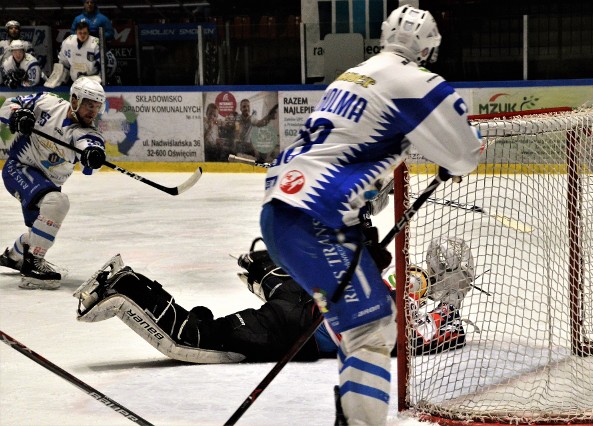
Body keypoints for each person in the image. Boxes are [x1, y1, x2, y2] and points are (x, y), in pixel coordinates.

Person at [258, 5, 482, 425]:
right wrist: (460, 152)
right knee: (372, 328)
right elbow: (466, 154)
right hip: (313, 217)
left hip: (287, 208)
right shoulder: (417, 80)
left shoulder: (355, 73)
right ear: (429, 48)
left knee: (372, 320)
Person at [71, 235, 474, 364]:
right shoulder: (400, 313)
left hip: (303, 296)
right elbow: (440, 333)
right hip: (302, 326)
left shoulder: (380, 274)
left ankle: (129, 281)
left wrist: (265, 265)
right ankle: (126, 288)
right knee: (197, 338)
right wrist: (451, 316)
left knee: (273, 273)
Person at [0, 77, 107, 290]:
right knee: (57, 202)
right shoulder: (47, 103)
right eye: (88, 104)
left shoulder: (87, 133)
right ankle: (33, 266)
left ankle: (13, 256)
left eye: (97, 107)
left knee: (38, 233)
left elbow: (92, 146)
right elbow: (8, 104)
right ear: (75, 100)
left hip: (47, 183)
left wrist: (93, 155)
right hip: (19, 168)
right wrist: (17, 114)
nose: (92, 111)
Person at [45, 21, 101, 88]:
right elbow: (63, 63)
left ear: (88, 33)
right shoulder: (68, 42)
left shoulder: (95, 44)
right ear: (76, 32)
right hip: (74, 82)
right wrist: (60, 79)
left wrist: (101, 79)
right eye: (80, 33)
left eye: (85, 33)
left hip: (92, 82)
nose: (82, 35)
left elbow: (105, 65)